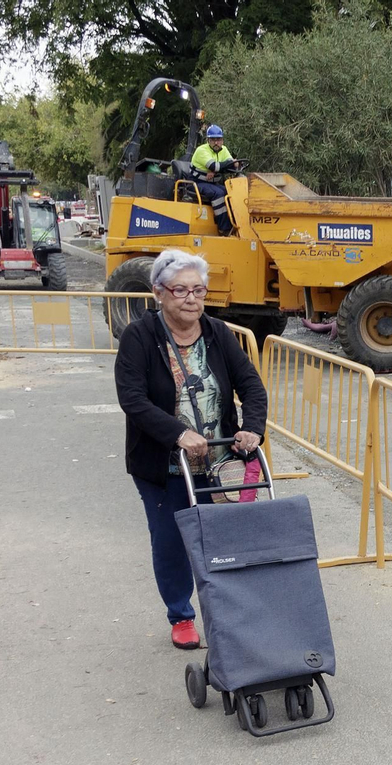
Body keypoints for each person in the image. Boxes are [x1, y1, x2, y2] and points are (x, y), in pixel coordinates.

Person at [115, 249, 267, 650]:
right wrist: (177, 434)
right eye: (180, 289)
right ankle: (181, 614)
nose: (191, 298)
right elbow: (132, 399)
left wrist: (252, 428)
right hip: (164, 464)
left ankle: (232, 609)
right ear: (158, 293)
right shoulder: (139, 337)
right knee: (171, 540)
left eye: (198, 289)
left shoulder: (218, 333)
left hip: (221, 461)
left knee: (226, 538)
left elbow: (251, 386)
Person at [189, 124, 235, 233]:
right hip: (196, 183)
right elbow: (215, 166)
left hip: (212, 183)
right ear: (208, 140)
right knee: (218, 194)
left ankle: (234, 223)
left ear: (222, 140)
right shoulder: (202, 150)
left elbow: (232, 166)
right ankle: (224, 229)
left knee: (231, 191)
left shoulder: (224, 150)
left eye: (218, 139)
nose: (216, 142)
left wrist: (216, 170)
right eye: (213, 140)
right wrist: (217, 168)